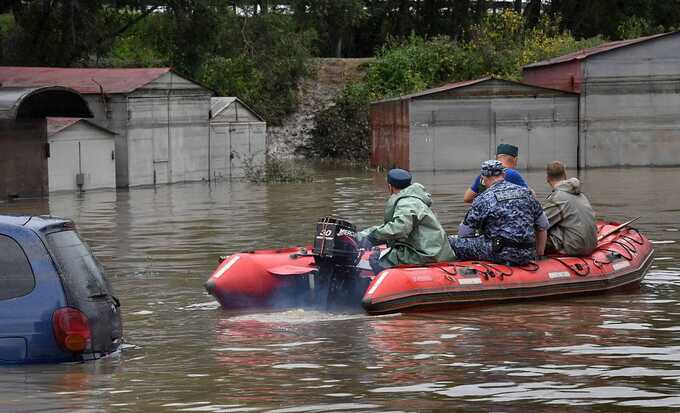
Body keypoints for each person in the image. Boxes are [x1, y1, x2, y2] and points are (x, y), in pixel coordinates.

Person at [357, 168, 456, 274]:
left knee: (378, 261)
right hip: (431, 251)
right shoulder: (413, 200)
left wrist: (373, 236)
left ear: (390, 187)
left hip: (426, 254)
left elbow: (400, 228)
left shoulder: (407, 202)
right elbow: (392, 225)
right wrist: (362, 235)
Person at [452, 160, 548, 265]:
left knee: (453, 241)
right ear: (503, 174)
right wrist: (539, 254)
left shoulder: (483, 198)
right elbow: (543, 226)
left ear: (483, 179)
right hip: (527, 253)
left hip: (499, 253)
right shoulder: (526, 193)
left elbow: (464, 233)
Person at [542, 161, 597, 256]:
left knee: (534, 232)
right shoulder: (581, 194)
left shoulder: (557, 198)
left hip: (574, 247)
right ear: (565, 175)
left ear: (547, 178)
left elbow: (540, 223)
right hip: (591, 244)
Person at [463, 143, 528, 203]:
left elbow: (467, 198)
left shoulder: (484, 175)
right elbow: (530, 195)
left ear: (496, 158)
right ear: (516, 159)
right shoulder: (512, 174)